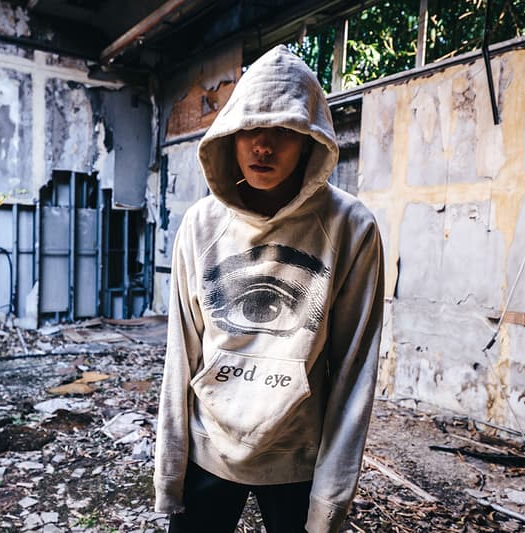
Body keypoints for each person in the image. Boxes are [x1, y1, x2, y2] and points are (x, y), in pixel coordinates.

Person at [153, 44, 385, 533]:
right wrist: (168, 475)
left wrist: (331, 499)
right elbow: (181, 354)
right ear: (230, 134)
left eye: (283, 130)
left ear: (309, 138)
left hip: (298, 455)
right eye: (251, 128)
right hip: (209, 447)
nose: (263, 146)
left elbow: (354, 371)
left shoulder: (351, 227)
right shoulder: (200, 225)